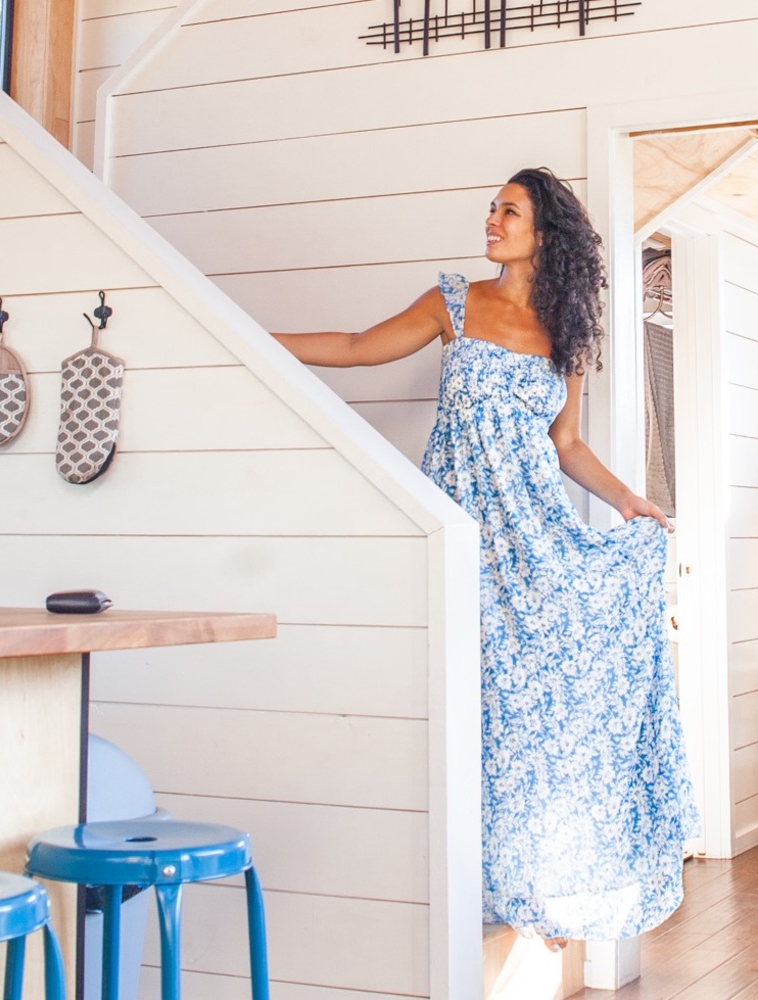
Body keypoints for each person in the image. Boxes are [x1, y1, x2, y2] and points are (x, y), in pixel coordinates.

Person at [272, 167, 699, 949]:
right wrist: (258, 343)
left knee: (537, 702)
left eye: (510, 211)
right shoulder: (454, 301)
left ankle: (544, 882)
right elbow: (362, 347)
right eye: (492, 208)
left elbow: (565, 445)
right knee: (470, 702)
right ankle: (476, 880)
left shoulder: (566, 331)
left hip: (536, 539)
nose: (493, 219)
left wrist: (628, 500)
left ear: (546, 233)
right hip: (461, 527)